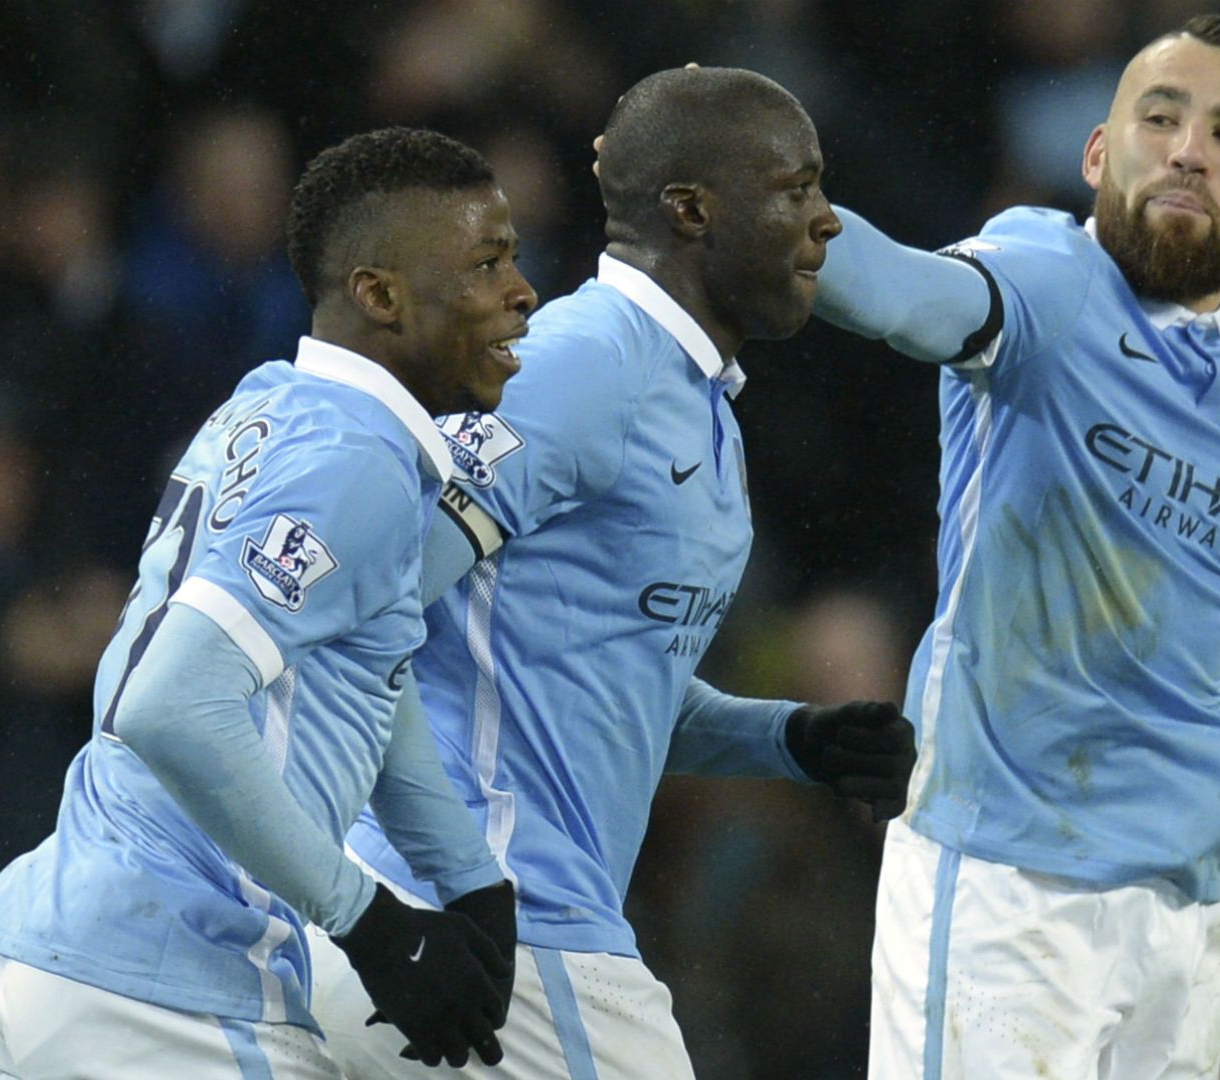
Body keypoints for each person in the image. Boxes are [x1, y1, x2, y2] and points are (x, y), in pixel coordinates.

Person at [306, 67, 917, 1079]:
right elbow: (368, 600)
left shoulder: (690, 399)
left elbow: (601, 688)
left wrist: (792, 738)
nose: (825, 224)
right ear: (691, 210)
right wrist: (423, 867)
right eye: (796, 189)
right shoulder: (585, 361)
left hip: (514, 921)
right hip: (512, 927)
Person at [0, 127, 539, 1078]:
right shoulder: (353, 464)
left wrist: (470, 883)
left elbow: (367, 676)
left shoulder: (271, 408)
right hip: (165, 990)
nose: (522, 292)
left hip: (45, 957)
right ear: (379, 294)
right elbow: (169, 707)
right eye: (486, 263)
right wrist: (373, 925)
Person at [811, 15, 1220, 1078]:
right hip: (1004, 883)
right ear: (1098, 154)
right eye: (1160, 117)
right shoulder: (1043, 275)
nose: (1187, 148)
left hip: (1176, 910)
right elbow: (902, 291)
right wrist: (773, 204)